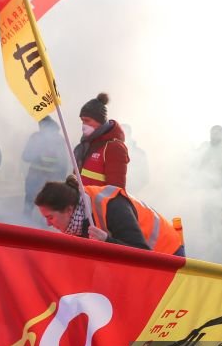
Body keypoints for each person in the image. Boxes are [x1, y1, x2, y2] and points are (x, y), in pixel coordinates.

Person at [35, 176, 184, 256]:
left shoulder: (112, 206)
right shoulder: (76, 212)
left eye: (50, 217)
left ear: (68, 210)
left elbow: (141, 253)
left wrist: (107, 240)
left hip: (167, 253)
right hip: (144, 258)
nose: (48, 224)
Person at [74, 93, 129, 189]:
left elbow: (115, 191)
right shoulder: (86, 144)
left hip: (97, 204)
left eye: (87, 121)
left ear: (100, 121)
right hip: (81, 202)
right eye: (82, 121)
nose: (83, 125)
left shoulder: (114, 147)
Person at [21, 116, 67, 217]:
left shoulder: (37, 137)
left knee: (34, 201)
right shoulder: (58, 139)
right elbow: (64, 161)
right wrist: (62, 179)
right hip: (47, 179)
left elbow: (25, 156)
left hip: (40, 178)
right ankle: (35, 223)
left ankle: (26, 222)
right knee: (42, 202)